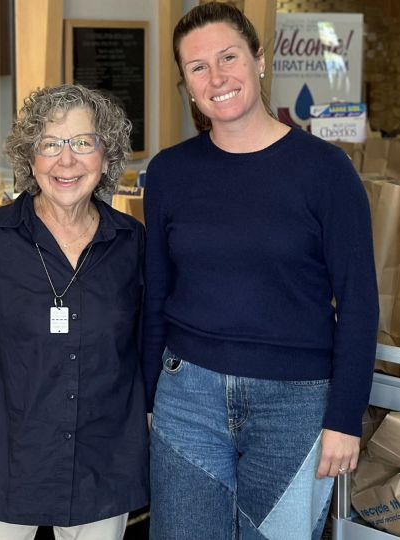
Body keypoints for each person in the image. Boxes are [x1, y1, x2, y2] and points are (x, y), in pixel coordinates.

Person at [143, 3, 378, 539]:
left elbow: (359, 302)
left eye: (229, 57)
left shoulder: (326, 172)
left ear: (260, 60)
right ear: (186, 83)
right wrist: (150, 398)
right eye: (198, 67)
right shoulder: (169, 174)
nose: (217, 77)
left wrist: (345, 417)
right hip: (188, 397)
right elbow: (155, 293)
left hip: (295, 404)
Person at [0, 84, 148, 540]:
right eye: (50, 145)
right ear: (30, 159)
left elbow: (143, 355)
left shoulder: (132, 242)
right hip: (5, 465)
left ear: (106, 157)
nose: (67, 161)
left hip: (101, 467)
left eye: (83, 143)